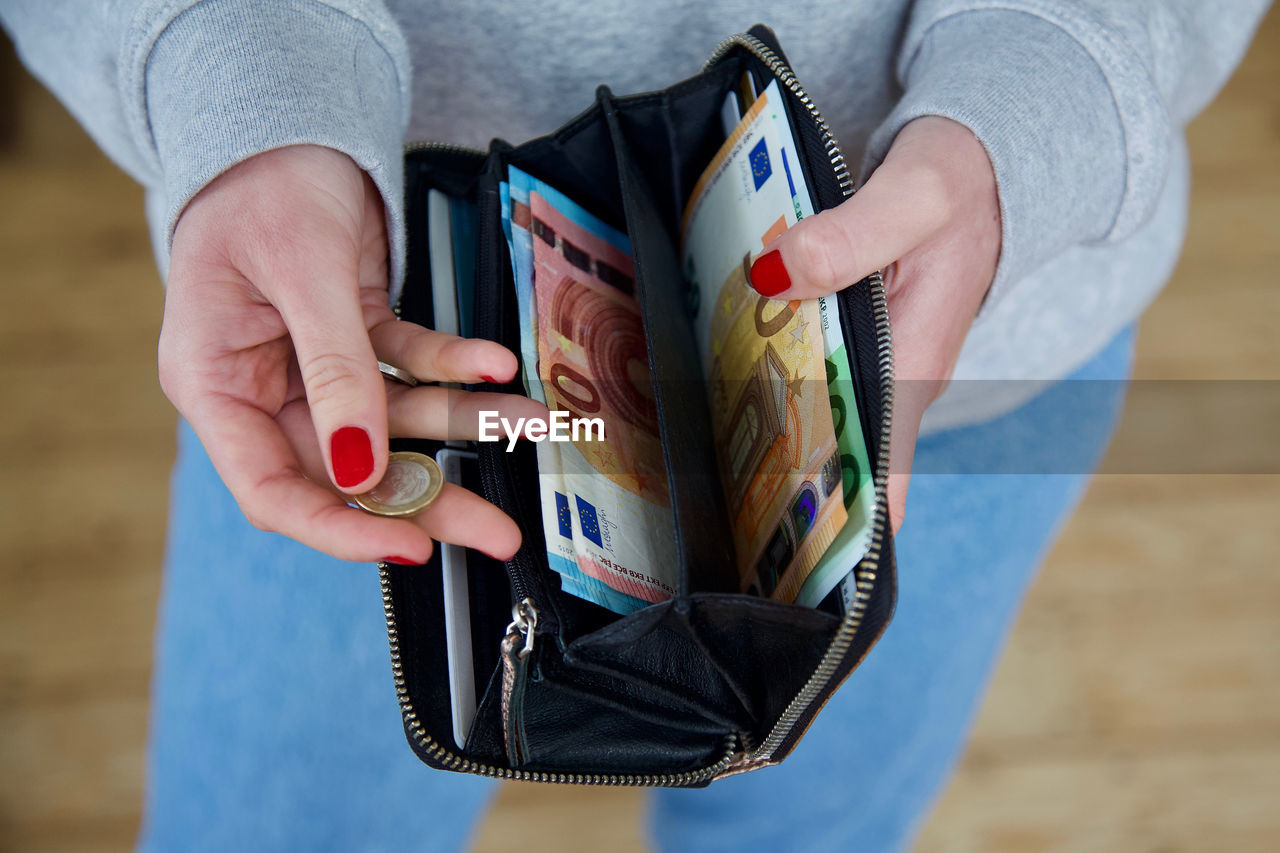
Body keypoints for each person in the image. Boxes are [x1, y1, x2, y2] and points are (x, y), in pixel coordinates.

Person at [2, 1, 1268, 850]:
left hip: (976, 342)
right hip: (364, 346)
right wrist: (241, 103)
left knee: (811, 824)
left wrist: (1028, 117)